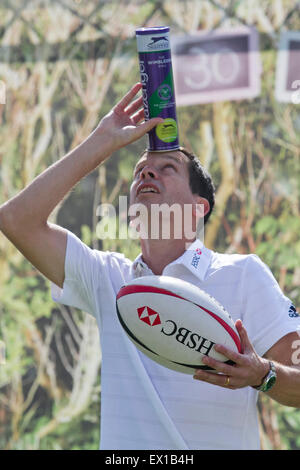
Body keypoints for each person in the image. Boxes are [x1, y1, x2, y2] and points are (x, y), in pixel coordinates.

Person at [0, 83, 300, 450]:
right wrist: (104, 140)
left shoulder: (244, 275)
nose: (146, 174)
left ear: (198, 207)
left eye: (167, 168)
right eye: (140, 170)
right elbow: (16, 219)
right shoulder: (108, 278)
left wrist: (263, 374)